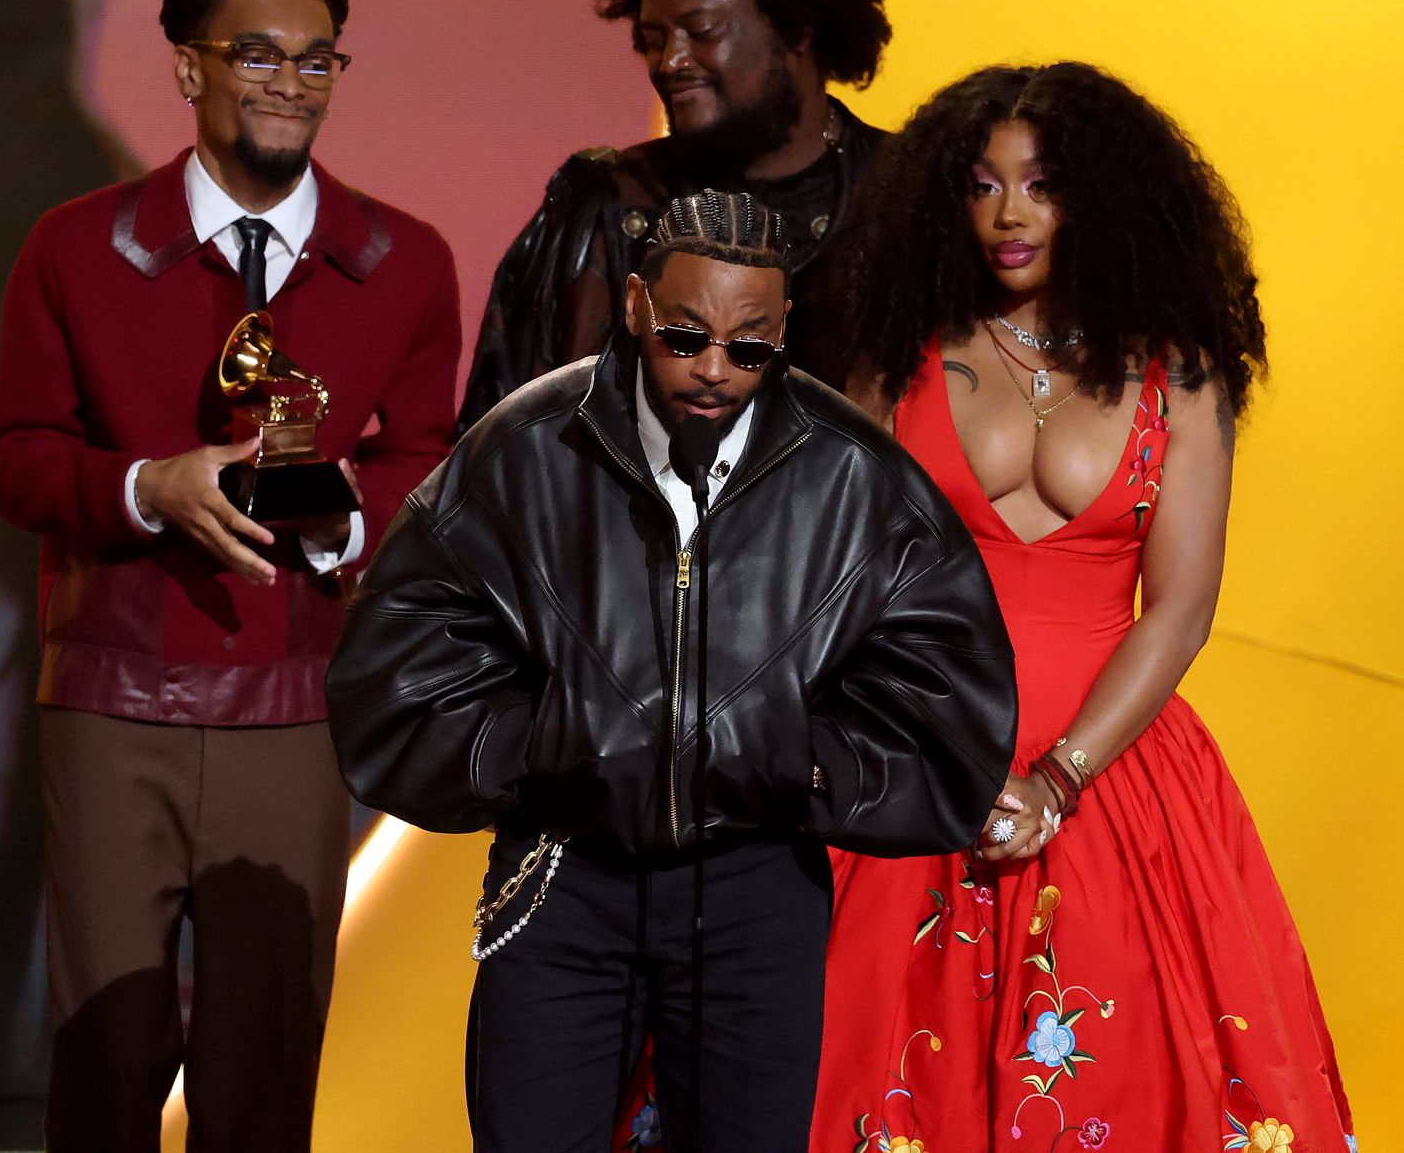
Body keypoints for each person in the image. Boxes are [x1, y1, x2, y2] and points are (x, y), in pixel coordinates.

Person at [327, 188, 1017, 1152]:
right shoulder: (529, 446)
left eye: (749, 349)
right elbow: (395, 660)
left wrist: (800, 763)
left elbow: (947, 693)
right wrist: (547, 746)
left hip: (757, 883)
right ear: (637, 307)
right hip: (562, 872)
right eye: (685, 336)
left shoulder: (851, 473)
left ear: (784, 331)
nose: (713, 371)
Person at [0, 0, 461, 1152]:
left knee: (261, 1065)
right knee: (108, 1056)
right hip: (108, 698)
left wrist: (341, 513)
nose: (287, 83)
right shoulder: (74, 246)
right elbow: (15, 459)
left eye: (315, 59)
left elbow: (426, 459)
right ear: (188, 66)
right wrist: (152, 486)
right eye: (254, 54)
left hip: (294, 705)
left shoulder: (400, 259)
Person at [809, 63, 1356, 1151]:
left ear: (1098, 198)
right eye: (979, 184)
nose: (1008, 213)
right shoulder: (896, 358)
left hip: (1108, 775)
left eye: (1041, 184)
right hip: (909, 761)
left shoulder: (1180, 377)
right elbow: (830, 576)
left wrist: (1055, 781)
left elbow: (1179, 609)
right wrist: (930, 753)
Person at [459, 0, 892, 431]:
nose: (669, 61)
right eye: (654, 37)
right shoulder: (605, 206)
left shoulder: (904, 199)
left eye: (701, 30)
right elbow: (500, 449)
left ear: (797, 26)